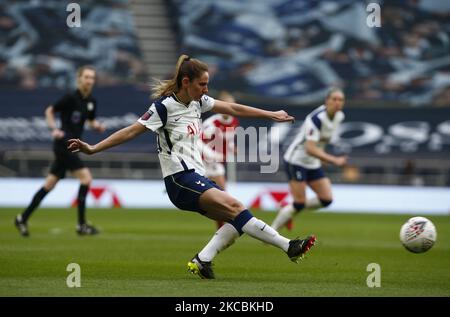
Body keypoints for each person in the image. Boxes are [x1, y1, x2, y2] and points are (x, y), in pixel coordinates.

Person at [67, 55, 316, 279]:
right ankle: (289, 246)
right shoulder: (163, 107)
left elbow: (233, 107)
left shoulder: (199, 102)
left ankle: (203, 260)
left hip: (196, 176)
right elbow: (131, 131)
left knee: (238, 218)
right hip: (178, 179)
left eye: (207, 84)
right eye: (202, 84)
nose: (206, 90)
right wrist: (93, 148)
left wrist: (271, 114)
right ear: (186, 82)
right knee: (237, 207)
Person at [14, 65, 106, 237]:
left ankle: (22, 218)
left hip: (72, 146)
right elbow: (50, 110)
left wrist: (97, 127)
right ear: (79, 79)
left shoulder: (92, 101)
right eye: (86, 77)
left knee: (49, 184)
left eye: (92, 78)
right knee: (86, 179)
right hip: (63, 145)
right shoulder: (70, 98)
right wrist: (53, 128)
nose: (89, 81)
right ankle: (81, 225)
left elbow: (91, 122)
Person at [271, 88, 347, 232]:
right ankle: (272, 232)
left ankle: (289, 208)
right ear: (327, 101)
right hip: (296, 161)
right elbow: (310, 148)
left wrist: (322, 157)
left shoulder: (339, 117)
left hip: (312, 162)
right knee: (299, 203)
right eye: (334, 99)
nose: (337, 103)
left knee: (326, 199)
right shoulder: (317, 118)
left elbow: (321, 142)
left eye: (340, 100)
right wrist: (333, 160)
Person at [200, 91, 239, 229]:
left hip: (216, 162)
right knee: (218, 195)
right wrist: (211, 155)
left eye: (232, 104)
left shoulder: (234, 121)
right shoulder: (212, 123)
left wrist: (232, 148)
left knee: (221, 194)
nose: (230, 107)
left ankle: (221, 225)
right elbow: (198, 142)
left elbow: (228, 140)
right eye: (227, 104)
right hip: (203, 161)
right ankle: (223, 224)